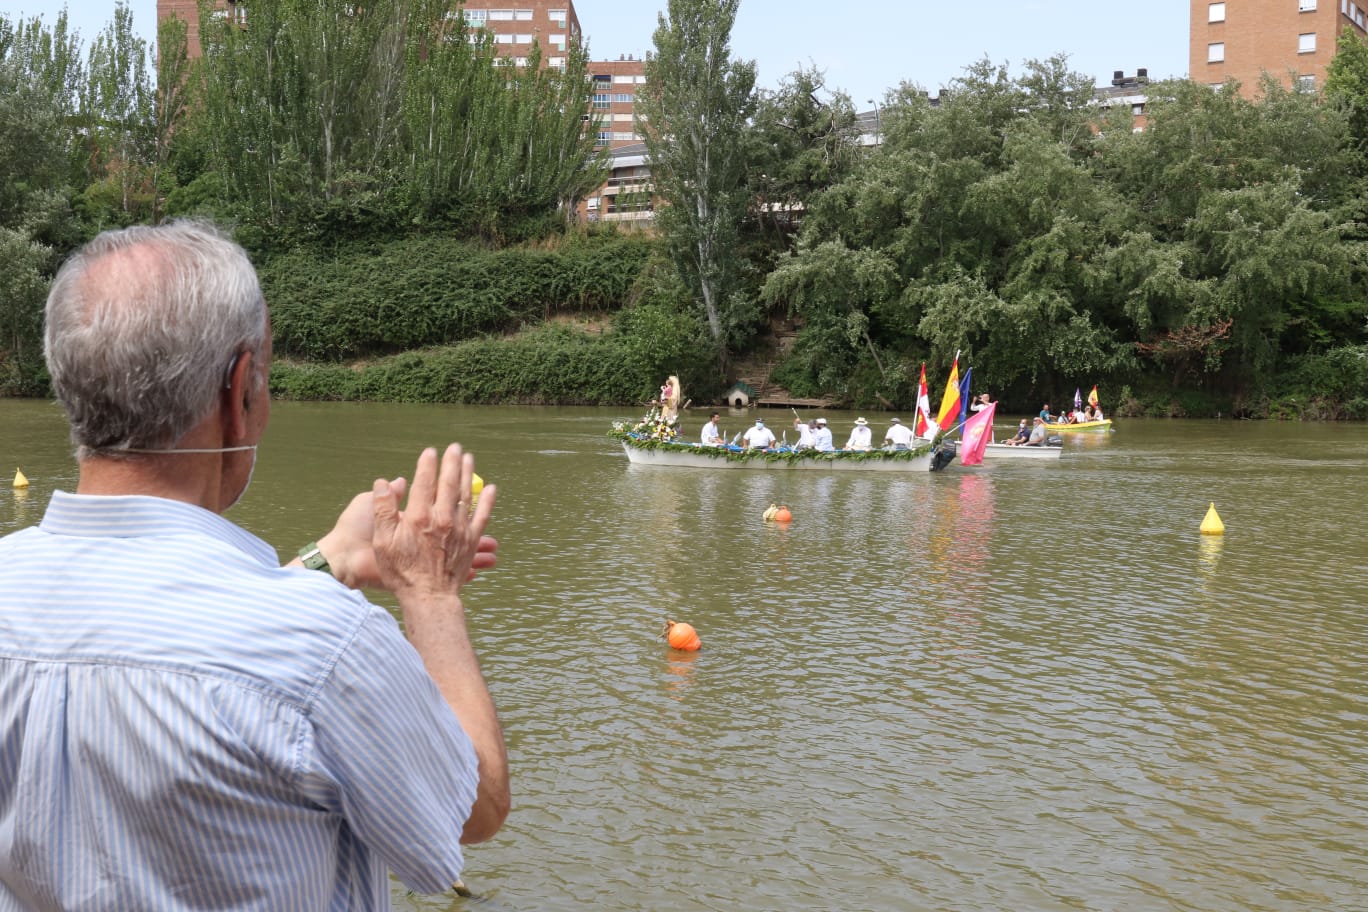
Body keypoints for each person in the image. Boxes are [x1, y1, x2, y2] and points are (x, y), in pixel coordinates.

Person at [0, 222, 509, 908]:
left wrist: (332, 556)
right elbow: (472, 805)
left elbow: (167, 639)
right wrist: (430, 592)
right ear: (239, 394)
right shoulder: (326, 644)